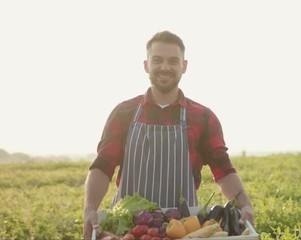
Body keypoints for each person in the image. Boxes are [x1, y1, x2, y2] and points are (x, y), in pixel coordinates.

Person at [83, 30, 254, 239]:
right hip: (129, 229)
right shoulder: (123, 112)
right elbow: (102, 165)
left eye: (173, 61)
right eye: (157, 60)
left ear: (184, 66)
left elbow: (223, 169)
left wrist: (244, 203)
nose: (165, 67)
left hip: (184, 229)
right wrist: (90, 208)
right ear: (146, 65)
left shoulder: (203, 117)